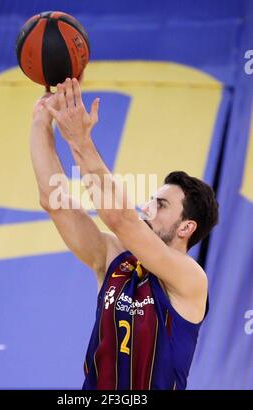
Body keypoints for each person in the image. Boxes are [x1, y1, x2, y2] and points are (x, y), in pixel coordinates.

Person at [30, 78, 219, 390]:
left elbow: (121, 219)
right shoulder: (115, 259)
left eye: (160, 205)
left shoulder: (190, 279)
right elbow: (56, 202)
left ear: (186, 227)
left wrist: (80, 141)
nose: (146, 207)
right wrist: (41, 121)